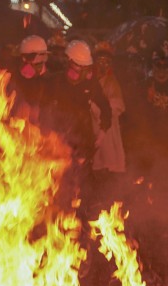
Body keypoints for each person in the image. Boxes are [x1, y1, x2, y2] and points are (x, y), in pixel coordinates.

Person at [47, 40, 112, 207]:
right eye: (77, 67)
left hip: (83, 141)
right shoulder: (55, 82)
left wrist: (103, 133)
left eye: (84, 68)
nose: (80, 72)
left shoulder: (91, 84)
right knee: (59, 182)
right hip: (58, 141)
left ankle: (80, 217)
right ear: (69, 63)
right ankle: (57, 216)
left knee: (82, 183)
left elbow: (106, 108)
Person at [91, 43, 126, 180]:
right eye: (100, 61)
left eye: (107, 62)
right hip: (91, 127)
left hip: (108, 129)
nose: (103, 65)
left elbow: (119, 105)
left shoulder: (112, 82)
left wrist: (97, 106)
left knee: (108, 164)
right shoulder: (90, 79)